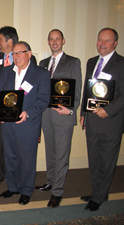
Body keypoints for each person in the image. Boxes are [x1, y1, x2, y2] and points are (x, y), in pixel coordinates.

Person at [0, 41, 50, 205]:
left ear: (29, 54)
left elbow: (43, 100)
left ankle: (26, 190)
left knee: (27, 158)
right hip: (8, 123)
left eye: (20, 52)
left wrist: (28, 113)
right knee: (10, 156)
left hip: (28, 124)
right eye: (14, 53)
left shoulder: (41, 74)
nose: (16, 56)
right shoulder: (6, 72)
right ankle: (12, 187)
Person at [35, 29, 82, 207]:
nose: (54, 42)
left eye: (57, 39)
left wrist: (70, 110)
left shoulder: (73, 62)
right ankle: (51, 181)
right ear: (48, 42)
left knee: (61, 153)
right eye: (51, 39)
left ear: (63, 41)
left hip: (63, 115)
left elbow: (76, 90)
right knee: (50, 151)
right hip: (46, 114)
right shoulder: (43, 63)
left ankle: (57, 192)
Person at [80, 27, 124, 211]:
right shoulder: (91, 62)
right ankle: (99, 191)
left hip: (111, 122)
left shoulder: (122, 63)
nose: (102, 44)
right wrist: (83, 112)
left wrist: (109, 110)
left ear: (115, 43)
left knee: (106, 161)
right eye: (100, 40)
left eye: (107, 41)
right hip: (92, 121)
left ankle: (98, 197)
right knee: (95, 159)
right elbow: (87, 89)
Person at [0, 26, 37, 187]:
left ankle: (19, 177)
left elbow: (34, 86)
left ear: (9, 40)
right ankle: (0, 175)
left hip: (20, 111)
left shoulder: (29, 59)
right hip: (0, 112)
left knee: (19, 146)